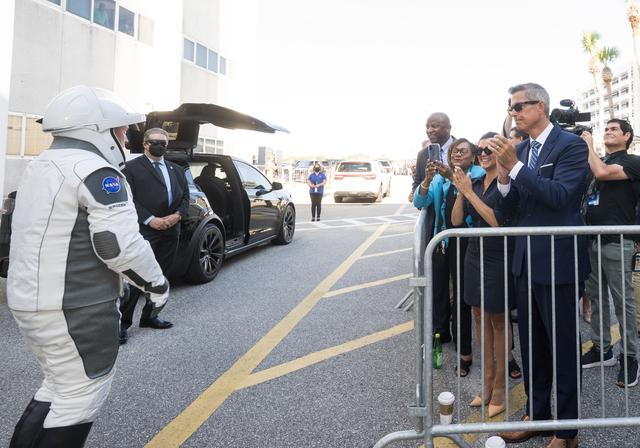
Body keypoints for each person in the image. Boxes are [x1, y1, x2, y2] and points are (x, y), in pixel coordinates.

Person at [7, 85, 169, 447]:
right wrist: (158, 286)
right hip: (75, 305)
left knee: (59, 387)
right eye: (121, 130)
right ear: (98, 130)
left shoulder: (41, 165)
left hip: (33, 300)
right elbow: (117, 245)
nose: (126, 139)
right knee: (81, 396)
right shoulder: (96, 172)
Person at [492, 83, 589, 448]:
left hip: (559, 261)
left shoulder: (571, 145)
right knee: (533, 348)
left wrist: (516, 168)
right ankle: (537, 416)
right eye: (511, 107)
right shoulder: (520, 150)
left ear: (541, 106)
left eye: (519, 106)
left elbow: (560, 196)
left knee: (562, 348)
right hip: (526, 262)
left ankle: (566, 432)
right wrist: (504, 178)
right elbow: (509, 211)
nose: (513, 112)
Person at [451, 132, 519, 418]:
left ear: (500, 152)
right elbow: (456, 220)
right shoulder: (475, 183)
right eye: (479, 150)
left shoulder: (507, 184)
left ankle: (500, 388)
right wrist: (461, 190)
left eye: (489, 149)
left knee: (499, 321)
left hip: (498, 256)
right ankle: (487, 383)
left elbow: (497, 222)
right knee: (478, 316)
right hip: (474, 255)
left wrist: (468, 193)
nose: (483, 154)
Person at [414, 138, 483, 373]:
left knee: (463, 298)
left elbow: (472, 203)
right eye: (454, 151)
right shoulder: (440, 178)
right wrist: (426, 179)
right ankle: (442, 333)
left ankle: (464, 350)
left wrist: (452, 177)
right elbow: (419, 201)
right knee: (440, 291)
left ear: (473, 156)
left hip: (467, 243)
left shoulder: (478, 174)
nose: (456, 155)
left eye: (462, 151)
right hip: (443, 241)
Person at [580, 119, 640, 387]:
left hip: (618, 242)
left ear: (627, 136)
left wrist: (588, 144)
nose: (608, 131)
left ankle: (630, 357)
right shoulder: (598, 160)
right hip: (593, 240)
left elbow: (603, 173)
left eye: (614, 129)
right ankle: (602, 349)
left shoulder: (632, 162)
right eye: (606, 128)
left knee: (622, 301)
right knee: (597, 298)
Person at [119, 128, 189, 341]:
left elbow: (185, 197)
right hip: (145, 230)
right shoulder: (130, 168)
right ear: (145, 144)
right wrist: (150, 219)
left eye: (163, 143)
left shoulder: (177, 170)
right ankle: (122, 324)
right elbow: (128, 198)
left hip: (171, 230)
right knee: (137, 277)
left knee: (161, 276)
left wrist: (177, 215)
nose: (159, 146)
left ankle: (150, 316)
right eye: (154, 142)